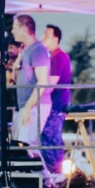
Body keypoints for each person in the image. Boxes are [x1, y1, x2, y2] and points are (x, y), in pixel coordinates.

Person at [10, 14, 50, 145]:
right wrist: (15, 68)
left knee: (26, 147)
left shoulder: (38, 50)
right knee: (22, 147)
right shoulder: (26, 51)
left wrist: (28, 107)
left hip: (34, 106)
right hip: (26, 106)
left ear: (24, 29)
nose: (12, 31)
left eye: (14, 27)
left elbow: (42, 81)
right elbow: (16, 80)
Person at [40, 24, 72, 174]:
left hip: (55, 106)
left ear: (55, 38)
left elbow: (50, 85)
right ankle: (55, 174)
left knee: (50, 141)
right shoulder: (55, 57)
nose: (42, 38)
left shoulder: (58, 57)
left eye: (46, 35)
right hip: (56, 106)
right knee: (51, 140)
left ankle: (55, 175)